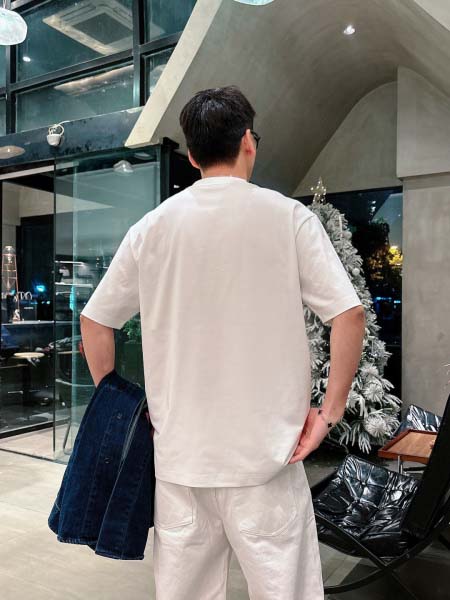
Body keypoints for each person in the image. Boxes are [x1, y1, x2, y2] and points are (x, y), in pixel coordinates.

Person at [80, 85, 366, 600]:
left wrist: (122, 407)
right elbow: (349, 315)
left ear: (192, 155)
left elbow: (95, 322)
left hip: (181, 463)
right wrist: (328, 413)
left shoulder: (152, 229)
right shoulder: (288, 218)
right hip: (269, 461)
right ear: (248, 142)